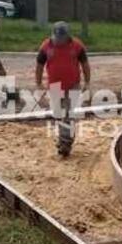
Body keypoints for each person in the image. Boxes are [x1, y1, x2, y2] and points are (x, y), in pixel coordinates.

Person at [35, 21, 91, 157]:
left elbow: (85, 64)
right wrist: (38, 83)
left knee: (67, 115)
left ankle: (65, 144)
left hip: (73, 85)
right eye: (57, 38)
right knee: (59, 114)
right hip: (54, 86)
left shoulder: (77, 46)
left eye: (62, 38)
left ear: (67, 36)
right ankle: (64, 140)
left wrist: (87, 81)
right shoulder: (46, 46)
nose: (59, 41)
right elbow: (39, 65)